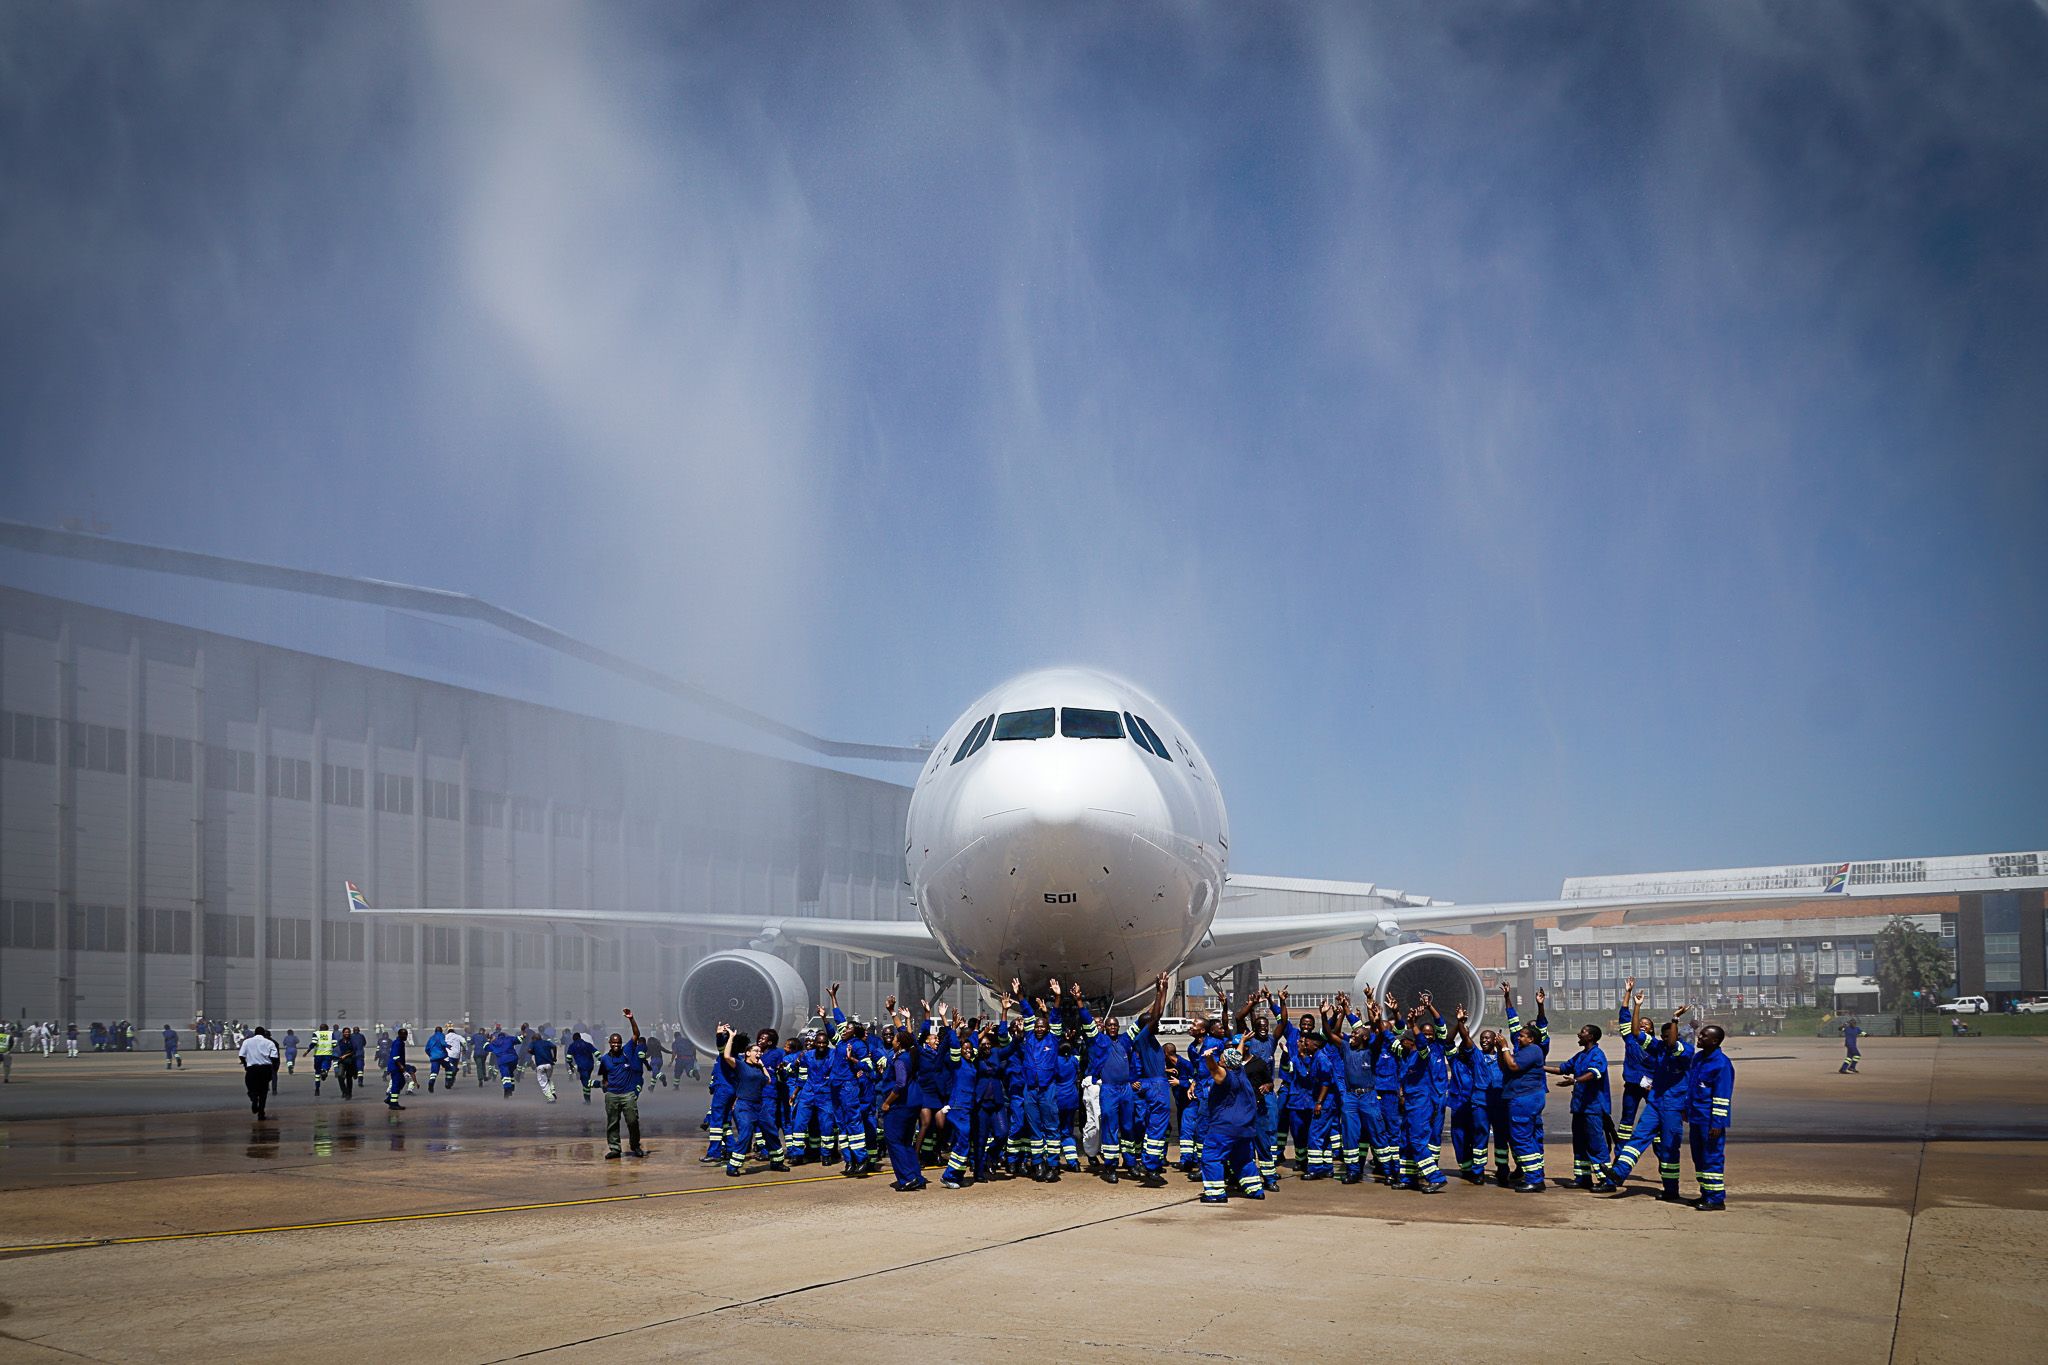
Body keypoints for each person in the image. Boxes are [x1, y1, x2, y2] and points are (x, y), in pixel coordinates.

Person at [1604, 1005, 1692, 1202]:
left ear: (1676, 1036)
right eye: (1664, 1035)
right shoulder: (1658, 1047)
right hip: (1655, 1102)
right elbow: (1635, 1033)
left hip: (1673, 1106)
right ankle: (1618, 1172)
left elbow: (1672, 1046)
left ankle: (1671, 1189)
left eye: (1670, 1035)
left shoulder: (1686, 1050)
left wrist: (1675, 1019)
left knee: (1669, 1147)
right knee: (1637, 1138)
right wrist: (1637, 1006)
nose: (1667, 1039)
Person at [1493, 982, 1550, 1192]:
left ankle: (1534, 1177)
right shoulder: (1522, 1046)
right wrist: (1507, 996)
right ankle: (1534, 1171)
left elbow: (1513, 1065)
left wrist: (1504, 1047)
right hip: (1526, 1096)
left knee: (1521, 1137)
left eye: (1524, 1034)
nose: (1519, 1035)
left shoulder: (1536, 1048)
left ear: (1533, 1037)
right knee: (1532, 1136)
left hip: (1524, 1097)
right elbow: (1512, 1019)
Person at [1549, 1021, 1613, 1190]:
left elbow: (1594, 1073)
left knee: (1596, 1144)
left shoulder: (1598, 1055)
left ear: (1590, 1036)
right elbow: (1563, 1068)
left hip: (1593, 1108)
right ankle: (1583, 1177)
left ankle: (1607, 1180)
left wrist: (1575, 1080)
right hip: (1579, 1108)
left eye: (1582, 1032)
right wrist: (1538, 1067)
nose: (1579, 1034)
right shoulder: (1580, 1055)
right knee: (1579, 1143)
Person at [1127, 973, 1174, 1186]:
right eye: (1155, 1024)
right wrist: (1159, 992)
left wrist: (1162, 992)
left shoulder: (1149, 1040)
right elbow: (1155, 1016)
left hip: (1153, 1084)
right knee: (1157, 1128)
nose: (1160, 1025)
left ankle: (1150, 1160)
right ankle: (1150, 1164)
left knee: (1152, 1127)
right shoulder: (1144, 1038)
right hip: (1157, 1086)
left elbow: (1156, 1017)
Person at [1687, 1023, 1734, 1210]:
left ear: (1715, 1041)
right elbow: (1692, 1087)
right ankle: (1705, 1194)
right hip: (1696, 1117)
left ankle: (1716, 1199)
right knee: (1699, 1158)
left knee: (1712, 1157)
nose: (1699, 1037)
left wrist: (1717, 1123)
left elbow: (1722, 1097)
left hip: (1709, 1121)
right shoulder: (1698, 1059)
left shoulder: (1721, 1064)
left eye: (1704, 1036)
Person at [877, 1024, 926, 1191]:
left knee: (894, 1140)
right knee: (905, 1141)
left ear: (899, 1043)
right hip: (912, 1102)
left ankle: (907, 1178)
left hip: (900, 1105)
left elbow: (900, 1083)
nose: (893, 1041)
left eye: (896, 1039)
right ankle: (916, 1175)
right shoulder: (909, 1056)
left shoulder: (900, 1060)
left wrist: (887, 1102)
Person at [595, 1010, 649, 1159]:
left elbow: (636, 1035)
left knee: (632, 1121)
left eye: (618, 1042)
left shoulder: (627, 1052)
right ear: (610, 1043)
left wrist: (632, 1019)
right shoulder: (605, 1059)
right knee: (612, 1123)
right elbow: (604, 1075)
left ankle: (635, 1145)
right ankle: (615, 1148)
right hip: (612, 1095)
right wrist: (605, 1085)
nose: (616, 1045)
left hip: (628, 1094)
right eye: (614, 1042)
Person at [239, 1026, 280, 1119]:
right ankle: (261, 1113)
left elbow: (241, 1055)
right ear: (264, 1034)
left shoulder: (247, 1042)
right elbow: (274, 1057)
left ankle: (253, 1098)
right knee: (263, 1092)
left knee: (250, 1087)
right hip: (265, 1069)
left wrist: (245, 1064)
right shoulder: (269, 1043)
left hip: (252, 1069)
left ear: (255, 1033)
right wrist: (273, 1068)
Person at [567, 1028, 599, 1104]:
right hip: (590, 1066)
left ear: (573, 1039)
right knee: (586, 1081)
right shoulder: (588, 1044)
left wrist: (570, 1065)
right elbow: (597, 1053)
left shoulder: (572, 1046)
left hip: (582, 1067)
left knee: (585, 1082)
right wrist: (600, 1060)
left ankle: (600, 1084)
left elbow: (568, 1058)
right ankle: (587, 1099)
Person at [385, 1026, 411, 1110]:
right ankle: (393, 1103)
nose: (406, 1037)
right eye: (405, 1035)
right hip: (395, 1067)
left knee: (402, 1082)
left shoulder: (399, 1042)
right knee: (396, 1084)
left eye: (406, 1035)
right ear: (400, 1035)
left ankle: (389, 1098)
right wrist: (402, 1067)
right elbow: (396, 1057)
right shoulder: (398, 1043)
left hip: (396, 1066)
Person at [529, 1030, 559, 1102]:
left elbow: (529, 1050)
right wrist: (554, 1057)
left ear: (534, 1039)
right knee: (547, 1078)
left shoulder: (534, 1043)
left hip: (540, 1066)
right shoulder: (546, 1042)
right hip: (549, 1065)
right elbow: (554, 1046)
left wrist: (534, 1052)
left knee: (543, 1082)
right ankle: (552, 1091)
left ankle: (550, 1098)